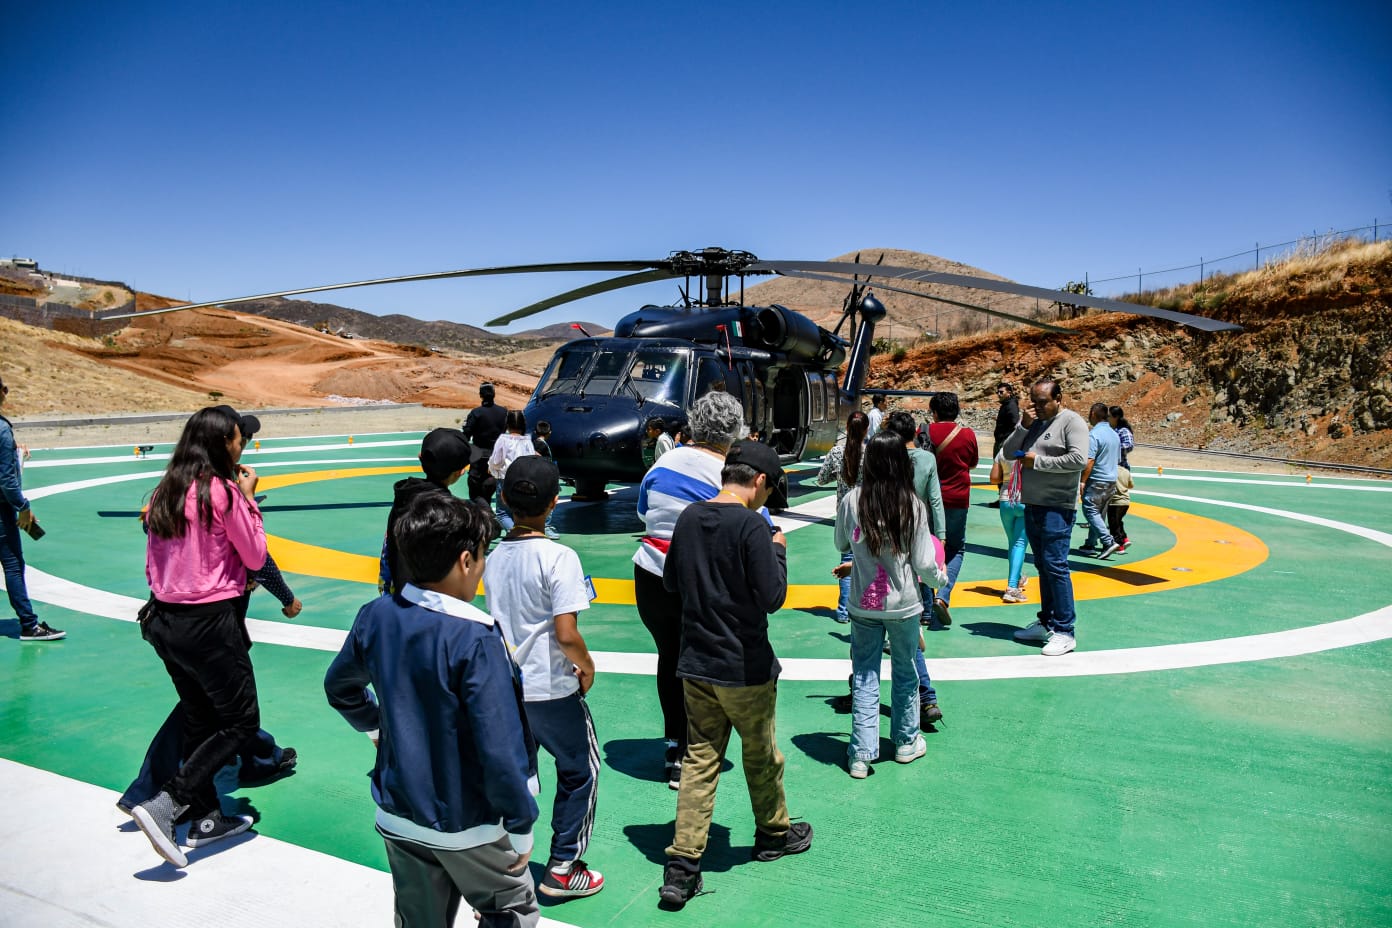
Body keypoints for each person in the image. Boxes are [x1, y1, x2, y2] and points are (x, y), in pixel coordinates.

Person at [325, 493, 540, 928]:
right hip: (469, 823)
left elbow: (340, 687)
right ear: (465, 561)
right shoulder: (475, 638)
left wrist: (376, 726)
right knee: (512, 912)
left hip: (398, 812)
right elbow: (499, 747)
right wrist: (520, 823)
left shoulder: (376, 615)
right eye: (481, 557)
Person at [658, 441, 811, 907]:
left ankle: (683, 866)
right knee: (761, 752)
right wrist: (777, 550)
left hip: (697, 664)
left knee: (699, 761)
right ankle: (772, 834)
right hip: (745, 667)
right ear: (760, 481)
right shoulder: (751, 526)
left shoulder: (688, 518)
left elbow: (670, 584)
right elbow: (772, 597)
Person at [129, 406, 267, 868]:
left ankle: (207, 818)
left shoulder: (165, 490)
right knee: (240, 721)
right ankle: (168, 802)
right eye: (235, 438)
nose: (240, 444)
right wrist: (248, 498)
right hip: (208, 623)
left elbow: (152, 561)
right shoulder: (222, 493)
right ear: (218, 444)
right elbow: (253, 556)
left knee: (199, 718)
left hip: (163, 620)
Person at [484, 456, 604, 899]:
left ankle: (505, 861)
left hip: (507, 686)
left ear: (504, 499)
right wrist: (587, 666)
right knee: (580, 771)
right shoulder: (560, 557)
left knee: (516, 774)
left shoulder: (494, 557)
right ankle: (562, 866)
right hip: (552, 685)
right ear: (555, 502)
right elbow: (566, 633)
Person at [633, 391, 748, 790]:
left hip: (649, 574)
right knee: (701, 667)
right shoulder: (729, 472)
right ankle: (692, 753)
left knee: (669, 657)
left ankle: (672, 745)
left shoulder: (662, 463)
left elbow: (644, 513)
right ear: (734, 430)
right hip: (697, 578)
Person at [835, 432, 949, 779]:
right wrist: (941, 581)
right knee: (905, 673)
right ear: (902, 462)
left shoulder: (853, 500)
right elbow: (924, 563)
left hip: (864, 602)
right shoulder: (911, 504)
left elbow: (841, 541)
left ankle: (860, 754)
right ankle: (904, 742)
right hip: (903, 605)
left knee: (866, 675)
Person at [1001, 380, 1089, 656]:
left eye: (1042, 402)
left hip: (1057, 506)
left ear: (1058, 398)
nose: (1036, 407)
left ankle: (1065, 630)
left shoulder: (1072, 422)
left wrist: (1037, 462)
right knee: (1042, 565)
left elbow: (1078, 459)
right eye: (1033, 402)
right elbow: (1006, 452)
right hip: (1033, 504)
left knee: (1056, 565)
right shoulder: (1035, 423)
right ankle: (1048, 622)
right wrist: (1024, 426)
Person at [883, 411, 946, 725]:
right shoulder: (926, 460)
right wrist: (941, 537)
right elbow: (935, 499)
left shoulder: (882, 460)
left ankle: (861, 688)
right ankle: (927, 697)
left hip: (883, 553)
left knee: (869, 637)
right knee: (911, 630)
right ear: (915, 432)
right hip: (919, 538)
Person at [0, 375, 64, 641]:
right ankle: (29, 624)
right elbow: (6, 480)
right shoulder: (2, 429)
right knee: (13, 566)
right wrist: (23, 506)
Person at [379, 428, 478, 595]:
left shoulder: (404, 497)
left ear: (420, 458)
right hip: (432, 604)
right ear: (460, 472)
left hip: (397, 598)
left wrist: (386, 594)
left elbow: (387, 551)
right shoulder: (453, 514)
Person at [924, 392, 978, 627]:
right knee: (956, 548)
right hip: (957, 499)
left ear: (934, 412)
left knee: (924, 550)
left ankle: (925, 608)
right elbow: (973, 463)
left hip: (928, 499)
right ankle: (942, 597)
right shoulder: (967, 434)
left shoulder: (924, 432)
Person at [815, 411, 869, 624]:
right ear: (866, 430)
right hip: (868, 512)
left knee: (846, 558)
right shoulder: (872, 452)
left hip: (845, 513)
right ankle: (866, 604)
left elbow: (821, 479)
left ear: (846, 428)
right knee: (869, 559)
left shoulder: (837, 453)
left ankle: (843, 610)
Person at [1077, 402, 1121, 560]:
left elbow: (1089, 460)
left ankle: (1108, 541)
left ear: (1093, 414)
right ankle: (1090, 543)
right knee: (1100, 512)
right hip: (1111, 479)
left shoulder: (1094, 435)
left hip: (1097, 479)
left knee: (1090, 510)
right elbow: (1118, 459)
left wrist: (1082, 481)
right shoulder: (1114, 434)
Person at [990, 447, 1030, 603]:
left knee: (1013, 543)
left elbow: (994, 478)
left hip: (1005, 500)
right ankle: (1012, 587)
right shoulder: (1032, 449)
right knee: (1019, 544)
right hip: (1025, 499)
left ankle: (1018, 577)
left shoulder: (1004, 450)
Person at [489, 410, 537, 533]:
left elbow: (496, 460)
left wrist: (492, 468)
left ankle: (515, 534)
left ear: (508, 424)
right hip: (523, 479)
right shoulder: (527, 441)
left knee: (502, 513)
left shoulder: (503, 439)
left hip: (505, 478)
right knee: (518, 510)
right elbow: (532, 459)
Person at [462, 382, 508, 508]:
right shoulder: (503, 412)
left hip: (478, 455)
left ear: (481, 395)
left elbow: (466, 434)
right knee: (490, 487)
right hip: (496, 454)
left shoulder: (476, 413)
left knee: (475, 491)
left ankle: (485, 512)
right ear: (494, 394)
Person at [1108, 463, 1133, 554]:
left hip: (1115, 502)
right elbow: (1131, 485)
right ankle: (1125, 539)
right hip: (1126, 501)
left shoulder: (1111, 470)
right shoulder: (1126, 471)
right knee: (1118, 522)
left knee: (1113, 525)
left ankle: (1120, 546)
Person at [992, 383, 1020, 457]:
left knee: (1000, 466)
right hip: (1001, 441)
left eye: (1001, 392)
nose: (999, 394)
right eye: (997, 392)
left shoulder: (1011, 405)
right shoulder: (1006, 404)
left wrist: (1008, 441)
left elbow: (1015, 423)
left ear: (1009, 393)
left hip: (1004, 442)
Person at [1109, 405, 1135, 470]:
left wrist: (1110, 447)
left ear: (1116, 417)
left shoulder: (1123, 431)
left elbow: (1129, 445)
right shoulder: (1108, 430)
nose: (1106, 418)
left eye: (1109, 416)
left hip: (1120, 468)